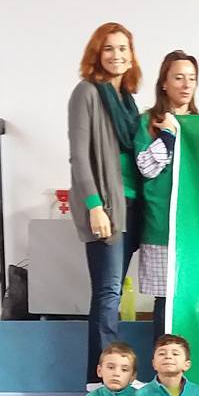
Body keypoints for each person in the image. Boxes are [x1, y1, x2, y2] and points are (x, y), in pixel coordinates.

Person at [68, 22, 143, 376]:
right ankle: (102, 380)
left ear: (131, 56)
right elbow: (80, 157)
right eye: (109, 48)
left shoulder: (128, 101)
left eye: (123, 48)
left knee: (114, 292)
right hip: (107, 208)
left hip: (132, 206)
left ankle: (106, 374)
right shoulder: (86, 92)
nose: (117, 55)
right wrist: (94, 205)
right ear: (97, 54)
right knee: (108, 294)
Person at [133, 53, 198, 338]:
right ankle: (163, 369)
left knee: (191, 299)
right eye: (178, 77)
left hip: (194, 229)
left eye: (192, 78)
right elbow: (145, 167)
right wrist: (168, 136)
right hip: (160, 226)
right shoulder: (149, 121)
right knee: (164, 301)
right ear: (164, 83)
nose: (186, 85)